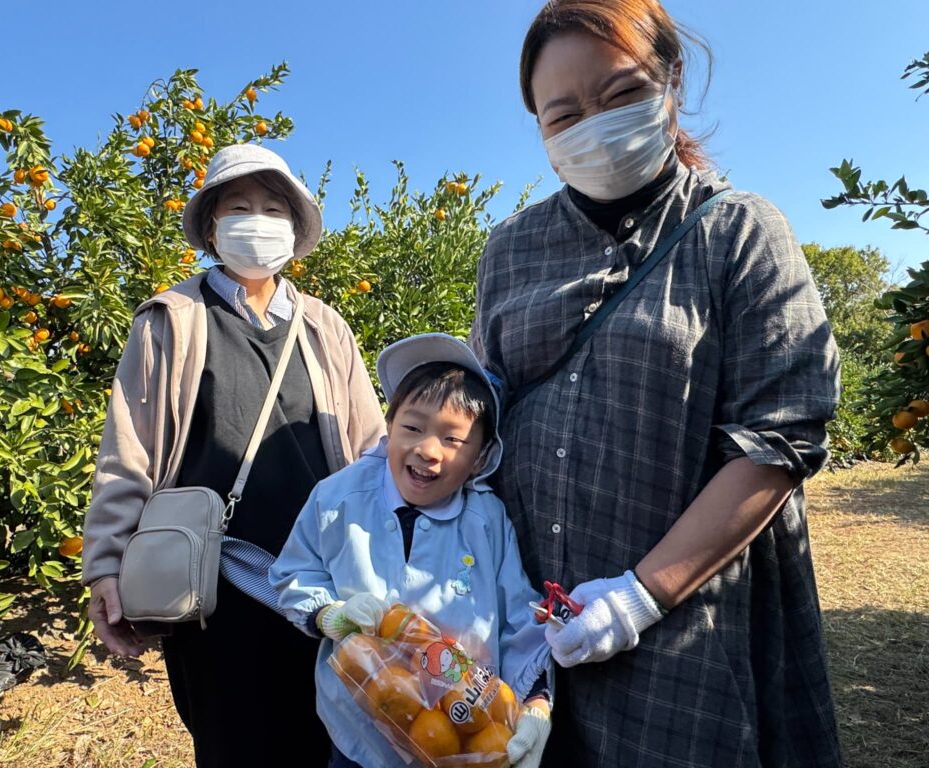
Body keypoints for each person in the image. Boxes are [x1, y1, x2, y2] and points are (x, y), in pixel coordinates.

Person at [469, 1, 842, 766]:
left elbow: (780, 438)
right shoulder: (509, 250)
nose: (595, 125)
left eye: (622, 94)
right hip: (527, 631)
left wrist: (640, 596)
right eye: (564, 114)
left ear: (672, 81)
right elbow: (485, 409)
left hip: (683, 631)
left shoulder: (738, 231)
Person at [81, 143, 385, 766]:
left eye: (273, 208)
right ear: (213, 227)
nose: (257, 220)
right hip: (213, 588)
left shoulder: (324, 327)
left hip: (321, 583)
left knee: (332, 742)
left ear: (294, 229)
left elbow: (369, 446)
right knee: (231, 744)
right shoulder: (172, 320)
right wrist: (105, 566)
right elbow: (129, 450)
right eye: (239, 207)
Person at [270, 334, 554, 768]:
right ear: (389, 428)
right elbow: (295, 572)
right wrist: (328, 613)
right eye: (413, 428)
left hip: (465, 733)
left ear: (481, 457)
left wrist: (536, 703)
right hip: (357, 734)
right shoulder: (339, 498)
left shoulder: (485, 520)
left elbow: (517, 616)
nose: (427, 450)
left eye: (452, 439)